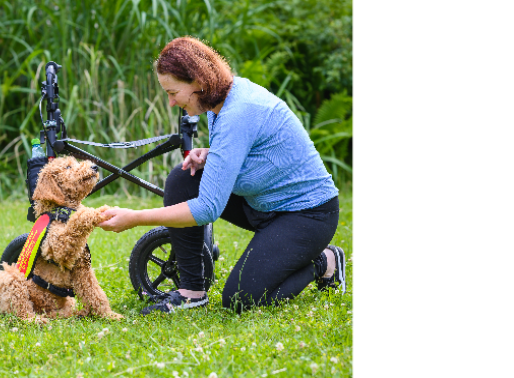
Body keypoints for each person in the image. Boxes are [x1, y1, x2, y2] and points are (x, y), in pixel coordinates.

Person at [98, 36, 345, 315]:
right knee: (182, 179)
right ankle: (192, 292)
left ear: (197, 81)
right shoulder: (219, 101)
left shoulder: (238, 110)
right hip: (262, 204)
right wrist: (212, 154)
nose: (170, 102)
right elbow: (247, 147)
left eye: (172, 92)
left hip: (307, 215)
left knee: (241, 299)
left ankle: (325, 261)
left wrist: (134, 217)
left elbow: (207, 209)